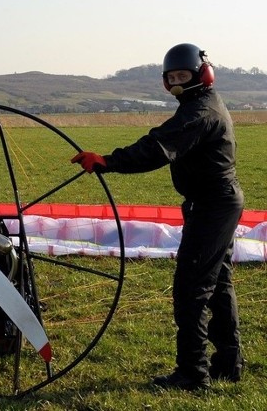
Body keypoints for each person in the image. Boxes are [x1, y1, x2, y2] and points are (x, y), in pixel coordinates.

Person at [71, 43, 244, 391]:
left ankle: (193, 374)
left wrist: (108, 160)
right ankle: (229, 360)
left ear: (202, 75)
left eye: (184, 76)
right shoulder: (200, 105)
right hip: (214, 204)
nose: (178, 82)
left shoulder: (199, 112)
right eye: (172, 77)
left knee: (192, 289)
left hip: (213, 206)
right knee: (218, 283)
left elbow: (158, 146)